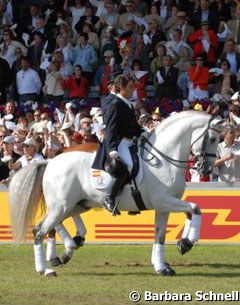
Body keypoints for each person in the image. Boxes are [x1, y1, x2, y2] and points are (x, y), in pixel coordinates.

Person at [92, 75, 142, 215]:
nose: (133, 90)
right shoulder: (114, 103)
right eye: (131, 87)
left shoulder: (127, 103)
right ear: (122, 88)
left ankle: (132, 200)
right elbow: (111, 128)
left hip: (130, 141)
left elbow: (134, 125)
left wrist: (143, 132)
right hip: (119, 142)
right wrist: (112, 149)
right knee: (129, 165)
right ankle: (110, 198)